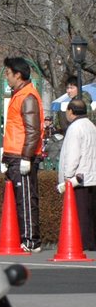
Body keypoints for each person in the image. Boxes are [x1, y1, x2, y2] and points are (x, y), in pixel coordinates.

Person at [2, 57, 44, 253]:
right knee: (20, 199)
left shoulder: (27, 96)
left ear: (17, 74)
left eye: (8, 73)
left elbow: (33, 130)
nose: (6, 77)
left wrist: (27, 157)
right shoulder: (20, 95)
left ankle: (30, 240)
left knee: (25, 199)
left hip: (21, 156)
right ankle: (25, 237)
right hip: (15, 155)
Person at [57, 97, 96, 254]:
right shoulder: (92, 126)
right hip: (92, 176)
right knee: (91, 213)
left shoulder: (75, 128)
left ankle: (83, 244)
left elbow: (73, 155)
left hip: (78, 179)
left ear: (71, 111)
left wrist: (67, 177)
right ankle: (92, 243)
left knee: (80, 215)